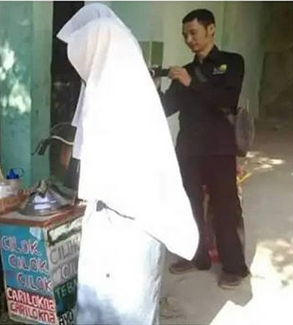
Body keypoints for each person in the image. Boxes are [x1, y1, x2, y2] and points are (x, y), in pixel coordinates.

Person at [57, 4, 198, 324]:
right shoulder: (113, 83)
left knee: (123, 306)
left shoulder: (120, 93)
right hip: (114, 219)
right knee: (106, 306)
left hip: (129, 223)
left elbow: (123, 175)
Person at [158, 9, 250, 289]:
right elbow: (166, 108)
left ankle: (235, 267)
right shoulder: (184, 72)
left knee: (225, 207)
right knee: (189, 205)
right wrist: (152, 85)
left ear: (211, 30)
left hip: (220, 149)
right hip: (188, 149)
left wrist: (191, 82)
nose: (189, 39)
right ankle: (196, 256)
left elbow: (227, 100)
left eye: (193, 33)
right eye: (185, 34)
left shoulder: (232, 63)